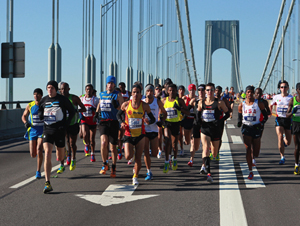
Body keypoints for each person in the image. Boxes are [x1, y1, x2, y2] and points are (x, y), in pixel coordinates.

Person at [38, 81, 75, 193]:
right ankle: (47, 182)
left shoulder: (62, 99)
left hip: (59, 130)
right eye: (48, 87)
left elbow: (72, 111)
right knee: (48, 153)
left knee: (59, 156)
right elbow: (40, 110)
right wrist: (41, 115)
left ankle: (65, 152)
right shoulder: (44, 100)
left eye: (52, 88)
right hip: (48, 130)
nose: (50, 90)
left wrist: (66, 124)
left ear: (56, 89)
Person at [117, 84, 156, 185]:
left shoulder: (145, 106)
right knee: (128, 156)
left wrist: (148, 121)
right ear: (131, 93)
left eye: (137, 92)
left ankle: (135, 177)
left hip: (140, 135)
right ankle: (131, 153)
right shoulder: (126, 105)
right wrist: (121, 122)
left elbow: (153, 119)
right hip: (128, 134)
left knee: (138, 158)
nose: (135, 94)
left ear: (140, 94)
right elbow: (118, 115)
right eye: (134, 92)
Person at [197, 83, 229, 182]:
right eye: (207, 90)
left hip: (215, 129)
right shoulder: (201, 102)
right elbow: (198, 113)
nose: (209, 92)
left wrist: (220, 120)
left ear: (214, 91)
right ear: (205, 92)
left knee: (214, 153)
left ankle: (209, 160)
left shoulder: (219, 103)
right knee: (205, 148)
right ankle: (208, 173)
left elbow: (228, 113)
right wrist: (198, 121)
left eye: (211, 90)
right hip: (205, 129)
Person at [237, 86, 268, 179]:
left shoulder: (258, 103)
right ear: (245, 93)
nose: (250, 94)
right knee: (248, 149)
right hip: (246, 128)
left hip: (256, 127)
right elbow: (239, 116)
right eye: (248, 92)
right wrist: (239, 122)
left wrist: (261, 123)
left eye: (251, 92)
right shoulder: (241, 105)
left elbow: (265, 116)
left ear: (254, 93)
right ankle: (250, 171)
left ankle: (254, 156)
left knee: (256, 152)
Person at [95, 75, 124, 178]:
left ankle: (114, 166)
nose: (110, 85)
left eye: (112, 84)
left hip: (114, 122)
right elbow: (99, 104)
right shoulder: (102, 94)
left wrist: (116, 106)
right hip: (103, 121)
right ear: (106, 85)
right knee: (103, 142)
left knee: (113, 146)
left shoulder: (118, 95)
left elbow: (122, 108)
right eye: (109, 83)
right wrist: (96, 113)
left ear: (114, 85)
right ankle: (104, 163)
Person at [56, 82, 86, 173]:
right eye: (62, 89)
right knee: (62, 143)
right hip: (62, 123)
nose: (63, 91)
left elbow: (83, 108)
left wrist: (76, 110)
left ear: (69, 89)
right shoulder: (58, 99)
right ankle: (62, 164)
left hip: (73, 123)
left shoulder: (74, 98)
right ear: (59, 90)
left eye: (65, 89)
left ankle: (73, 158)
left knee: (72, 143)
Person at [162, 84, 190, 173]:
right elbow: (160, 111)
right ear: (167, 91)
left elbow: (188, 112)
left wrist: (180, 109)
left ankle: (174, 159)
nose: (172, 92)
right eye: (170, 90)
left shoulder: (180, 100)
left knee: (174, 145)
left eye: (173, 90)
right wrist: (160, 117)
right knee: (167, 141)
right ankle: (166, 162)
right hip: (167, 123)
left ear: (176, 91)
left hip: (176, 124)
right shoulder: (163, 100)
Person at [142, 84, 167, 180]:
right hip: (144, 130)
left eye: (151, 91)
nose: (149, 93)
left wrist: (162, 121)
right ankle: (149, 171)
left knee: (154, 153)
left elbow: (165, 112)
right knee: (146, 152)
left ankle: (160, 149)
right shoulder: (142, 102)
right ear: (145, 92)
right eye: (148, 91)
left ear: (153, 92)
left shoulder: (157, 102)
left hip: (154, 129)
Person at [22, 88, 44, 179]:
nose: (36, 96)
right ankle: (40, 158)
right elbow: (23, 116)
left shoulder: (44, 104)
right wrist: (25, 122)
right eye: (35, 94)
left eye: (38, 94)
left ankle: (38, 171)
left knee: (39, 149)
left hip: (42, 130)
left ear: (41, 95)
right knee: (33, 154)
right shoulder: (30, 105)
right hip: (33, 131)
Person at [269, 80, 293, 164]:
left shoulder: (291, 98)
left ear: (288, 88)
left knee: (288, 142)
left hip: (288, 120)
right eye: (282, 87)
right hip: (279, 119)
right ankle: (282, 157)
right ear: (279, 88)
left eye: (285, 87)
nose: (283, 88)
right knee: (279, 137)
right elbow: (270, 104)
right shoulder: (276, 97)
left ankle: (284, 138)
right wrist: (270, 112)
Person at [210, 85, 232, 160]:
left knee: (219, 137)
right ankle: (211, 151)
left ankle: (217, 152)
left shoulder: (224, 100)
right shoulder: (212, 99)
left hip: (220, 121)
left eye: (218, 91)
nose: (217, 92)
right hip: (212, 121)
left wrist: (224, 114)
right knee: (210, 137)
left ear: (221, 91)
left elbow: (229, 109)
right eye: (216, 90)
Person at [80, 84, 99, 162]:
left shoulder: (96, 99)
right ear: (85, 90)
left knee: (92, 139)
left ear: (92, 90)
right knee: (85, 134)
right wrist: (81, 117)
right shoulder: (82, 99)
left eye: (90, 89)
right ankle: (86, 144)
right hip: (84, 119)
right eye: (87, 89)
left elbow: (98, 109)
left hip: (92, 120)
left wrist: (94, 109)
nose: (88, 91)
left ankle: (92, 154)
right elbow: (79, 109)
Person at [188, 84, 205, 166]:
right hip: (196, 125)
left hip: (206, 126)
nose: (201, 92)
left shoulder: (210, 102)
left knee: (205, 145)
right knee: (195, 146)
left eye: (203, 90)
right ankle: (191, 159)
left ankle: (203, 165)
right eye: (199, 90)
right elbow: (186, 111)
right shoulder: (194, 101)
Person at [253, 88, 271, 166]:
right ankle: (252, 158)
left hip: (260, 123)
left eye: (260, 93)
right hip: (252, 123)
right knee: (251, 140)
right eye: (257, 93)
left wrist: (262, 111)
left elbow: (268, 112)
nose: (258, 95)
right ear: (254, 93)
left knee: (258, 138)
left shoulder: (264, 102)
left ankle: (256, 151)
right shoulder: (251, 101)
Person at [286, 82, 300, 174]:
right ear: (297, 90)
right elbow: (287, 115)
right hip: (295, 124)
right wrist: (292, 112)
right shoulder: (292, 100)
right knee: (297, 146)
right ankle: (296, 165)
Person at [155, 84, 164, 158]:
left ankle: (160, 148)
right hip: (154, 118)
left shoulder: (163, 98)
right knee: (159, 135)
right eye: (157, 89)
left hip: (162, 117)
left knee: (161, 135)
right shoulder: (152, 98)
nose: (158, 90)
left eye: (160, 89)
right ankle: (159, 149)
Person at [178, 85, 186, 156]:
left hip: (184, 117)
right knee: (179, 135)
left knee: (183, 134)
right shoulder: (176, 99)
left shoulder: (186, 98)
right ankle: (181, 149)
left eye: (182, 90)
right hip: (177, 118)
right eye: (180, 90)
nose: (181, 91)